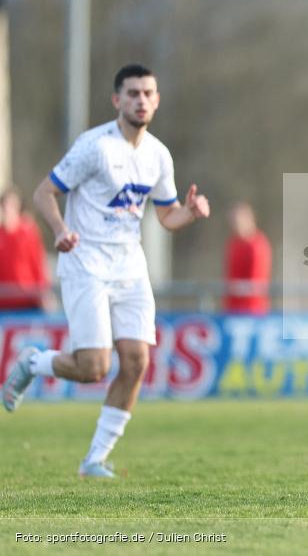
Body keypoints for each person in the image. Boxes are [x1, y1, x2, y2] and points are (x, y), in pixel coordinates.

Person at [1, 64, 210, 477]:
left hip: (130, 266)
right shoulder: (94, 146)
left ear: (157, 100)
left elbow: (166, 216)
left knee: (136, 362)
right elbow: (45, 192)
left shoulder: (158, 155)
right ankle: (33, 363)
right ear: (117, 100)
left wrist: (190, 212)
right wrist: (60, 231)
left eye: (148, 93)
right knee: (92, 367)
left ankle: (94, 459)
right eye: (133, 93)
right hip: (87, 263)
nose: (141, 100)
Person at [0, 187, 50, 311]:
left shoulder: (28, 232)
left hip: (28, 298)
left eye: (12, 205)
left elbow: (37, 262)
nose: (8, 209)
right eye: (5, 205)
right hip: (4, 300)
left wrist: (43, 292)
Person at [223, 202, 271, 314]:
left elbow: (256, 280)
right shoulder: (233, 243)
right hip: (232, 307)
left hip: (253, 308)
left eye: (238, 221)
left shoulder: (258, 245)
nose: (235, 226)